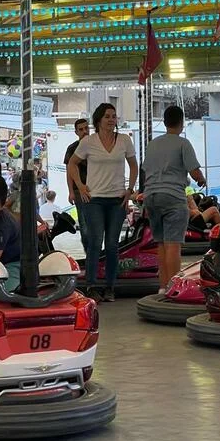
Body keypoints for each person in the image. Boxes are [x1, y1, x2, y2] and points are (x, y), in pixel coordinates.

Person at [69, 103, 139, 303]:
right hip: (95, 199)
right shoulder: (88, 142)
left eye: (114, 116)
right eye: (107, 116)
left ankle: (110, 286)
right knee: (94, 242)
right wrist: (80, 186)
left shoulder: (124, 140)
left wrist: (130, 190)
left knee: (111, 245)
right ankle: (91, 285)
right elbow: (72, 164)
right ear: (99, 119)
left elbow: (134, 165)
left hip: (117, 199)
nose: (111, 120)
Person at [135, 105, 205, 296]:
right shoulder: (183, 143)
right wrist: (201, 179)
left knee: (161, 244)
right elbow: (194, 171)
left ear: (165, 122)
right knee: (173, 244)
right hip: (173, 197)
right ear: (181, 122)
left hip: (151, 197)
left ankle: (162, 287)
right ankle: (173, 289)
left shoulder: (153, 144)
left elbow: (146, 170)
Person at [64, 118, 91, 252]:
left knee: (96, 223)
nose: (84, 131)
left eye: (86, 128)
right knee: (84, 224)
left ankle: (95, 252)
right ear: (76, 132)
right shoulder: (72, 148)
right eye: (81, 129)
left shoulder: (96, 145)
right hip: (79, 190)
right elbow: (69, 171)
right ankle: (89, 251)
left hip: (96, 189)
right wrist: (71, 191)